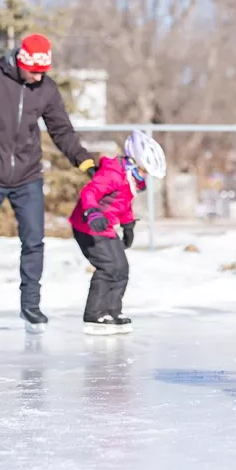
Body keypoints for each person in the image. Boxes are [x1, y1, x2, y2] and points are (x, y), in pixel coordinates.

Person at [0, 33, 97, 335]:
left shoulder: (46, 89)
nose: (37, 77)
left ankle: (31, 306)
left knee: (34, 242)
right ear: (20, 61)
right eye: (33, 71)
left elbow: (61, 129)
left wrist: (83, 159)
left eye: (43, 72)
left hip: (28, 177)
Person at [68, 130, 166, 335]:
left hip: (106, 227)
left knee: (121, 268)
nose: (146, 176)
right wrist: (92, 212)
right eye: (145, 170)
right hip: (88, 226)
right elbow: (89, 192)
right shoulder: (113, 173)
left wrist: (128, 226)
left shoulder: (130, 179)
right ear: (136, 163)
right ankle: (94, 315)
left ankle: (112, 311)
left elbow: (123, 204)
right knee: (107, 267)